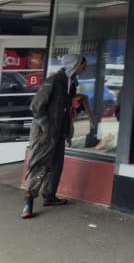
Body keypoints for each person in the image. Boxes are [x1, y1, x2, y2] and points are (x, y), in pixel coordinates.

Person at [21, 54, 87, 219]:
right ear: (75, 65)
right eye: (83, 65)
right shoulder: (53, 81)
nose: (85, 68)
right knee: (38, 163)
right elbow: (36, 106)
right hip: (45, 133)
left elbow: (64, 106)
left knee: (56, 164)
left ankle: (49, 196)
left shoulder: (71, 84)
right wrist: (46, 127)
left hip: (59, 131)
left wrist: (73, 105)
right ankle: (28, 202)